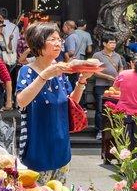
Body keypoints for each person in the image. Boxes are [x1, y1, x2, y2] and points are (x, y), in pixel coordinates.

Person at [15, 23, 88, 182]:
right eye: (52, 39)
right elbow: (21, 101)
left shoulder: (60, 71)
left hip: (62, 148)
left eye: (59, 39)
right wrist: (44, 75)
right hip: (38, 149)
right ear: (39, 42)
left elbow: (71, 102)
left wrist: (82, 81)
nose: (58, 43)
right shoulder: (26, 71)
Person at [91, 34, 125, 140]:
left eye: (114, 42)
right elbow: (93, 71)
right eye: (111, 42)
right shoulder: (97, 55)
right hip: (101, 85)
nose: (113, 45)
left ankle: (113, 129)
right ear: (104, 44)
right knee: (101, 108)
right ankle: (100, 130)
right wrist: (107, 76)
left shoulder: (117, 56)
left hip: (114, 86)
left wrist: (119, 76)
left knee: (115, 108)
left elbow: (121, 67)